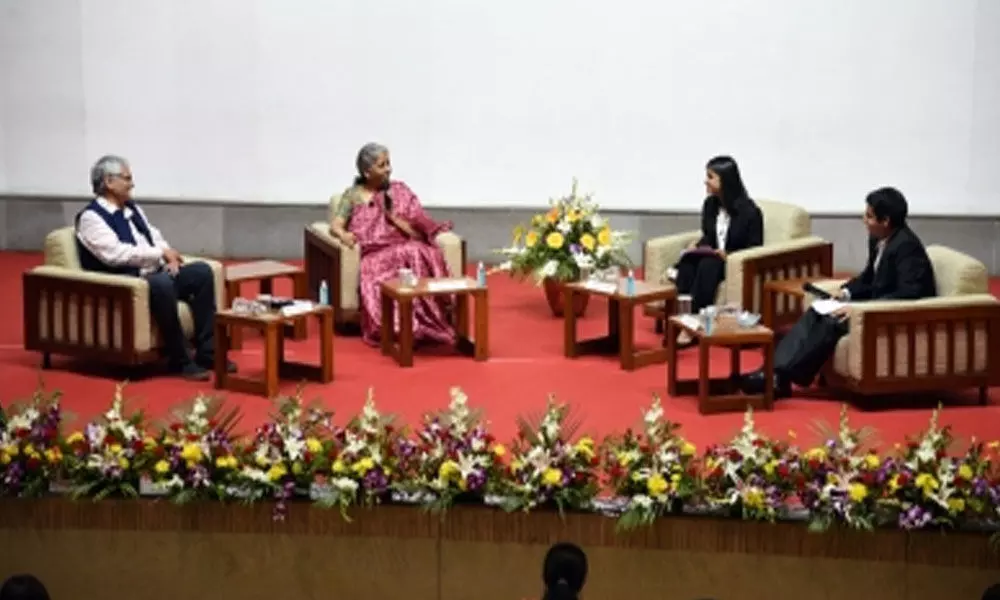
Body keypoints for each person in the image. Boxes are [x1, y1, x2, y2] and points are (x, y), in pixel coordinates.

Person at [741, 186, 936, 397]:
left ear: (885, 221)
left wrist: (859, 309)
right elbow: (869, 278)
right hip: (871, 307)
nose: (864, 220)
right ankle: (774, 372)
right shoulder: (878, 239)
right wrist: (845, 293)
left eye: (869, 216)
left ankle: (780, 377)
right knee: (817, 311)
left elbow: (909, 294)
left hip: (889, 316)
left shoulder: (907, 247)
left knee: (831, 321)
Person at [76, 155, 234, 381]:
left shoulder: (132, 209)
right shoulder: (91, 218)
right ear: (109, 182)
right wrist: (159, 254)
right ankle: (179, 359)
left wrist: (167, 255)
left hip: (155, 273)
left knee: (201, 273)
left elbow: (154, 236)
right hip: (128, 281)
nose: (132, 184)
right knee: (161, 284)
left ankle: (208, 352)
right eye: (127, 178)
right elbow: (116, 255)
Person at [330, 143, 457, 346]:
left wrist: (394, 219)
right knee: (411, 251)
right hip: (374, 256)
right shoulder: (352, 195)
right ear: (366, 171)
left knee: (419, 250)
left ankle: (428, 321)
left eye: (389, 163)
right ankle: (405, 327)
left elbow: (416, 232)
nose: (389, 169)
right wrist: (343, 235)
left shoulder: (399, 191)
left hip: (402, 247)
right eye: (382, 165)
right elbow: (336, 225)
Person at [672, 155, 763, 344]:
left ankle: (694, 323)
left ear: (726, 181)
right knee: (689, 261)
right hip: (713, 255)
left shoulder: (750, 212)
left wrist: (729, 255)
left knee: (708, 265)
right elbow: (710, 236)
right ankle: (682, 319)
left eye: (711, 176)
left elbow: (755, 247)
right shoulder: (710, 205)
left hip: (733, 263)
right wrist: (697, 246)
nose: (705, 181)